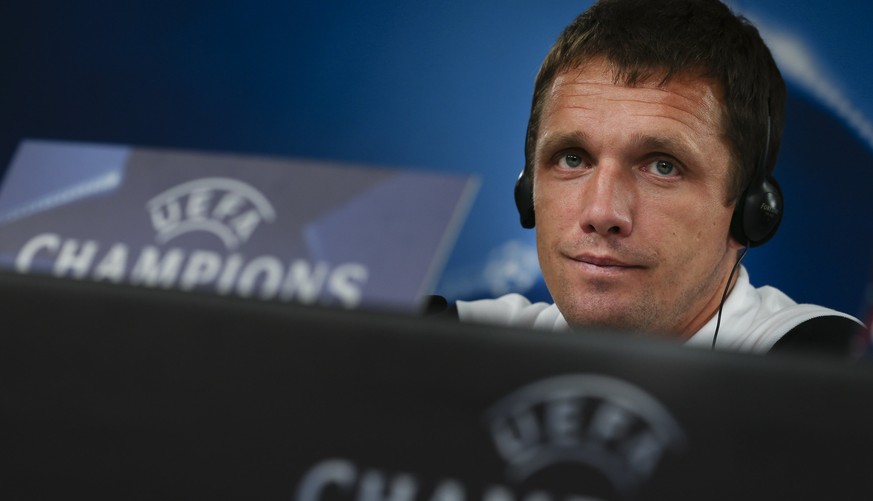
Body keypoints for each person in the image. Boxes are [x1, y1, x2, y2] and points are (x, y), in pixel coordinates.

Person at [447, 0, 864, 355]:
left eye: (663, 166)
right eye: (572, 159)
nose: (601, 212)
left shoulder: (828, 366)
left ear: (750, 212)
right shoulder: (450, 343)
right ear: (528, 191)